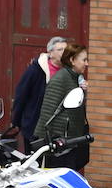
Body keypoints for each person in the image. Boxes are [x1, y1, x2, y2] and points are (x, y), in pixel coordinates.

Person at [36, 42, 90, 172]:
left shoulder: (75, 78)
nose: (87, 64)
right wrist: (50, 144)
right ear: (72, 60)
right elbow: (48, 112)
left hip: (70, 142)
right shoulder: (61, 79)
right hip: (60, 146)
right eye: (84, 60)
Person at [12, 36, 66, 153]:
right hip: (34, 125)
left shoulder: (68, 72)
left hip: (58, 129)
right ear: (50, 52)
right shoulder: (35, 70)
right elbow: (21, 95)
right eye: (60, 49)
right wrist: (16, 121)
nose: (64, 53)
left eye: (66, 50)